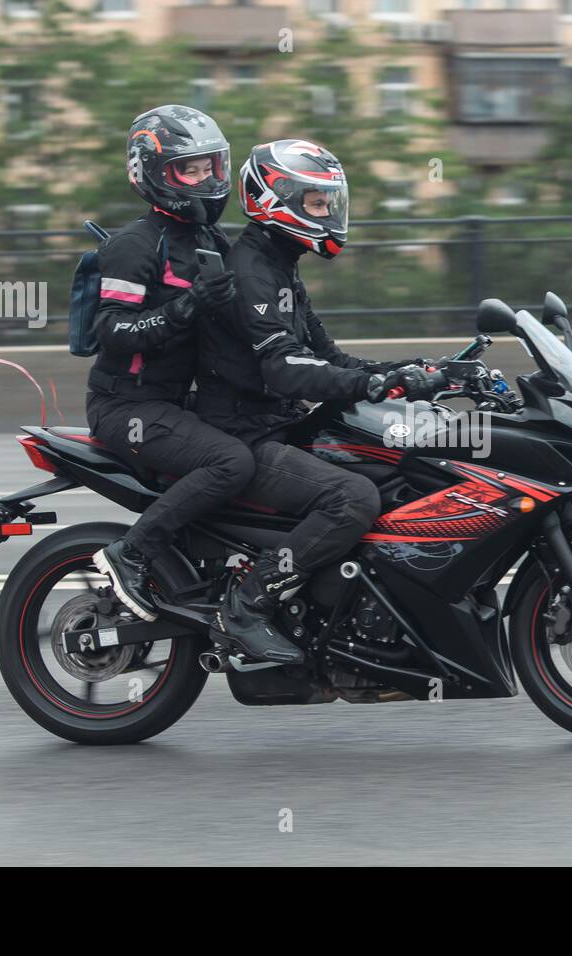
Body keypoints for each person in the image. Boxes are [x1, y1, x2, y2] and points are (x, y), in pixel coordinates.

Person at [195, 139, 444, 664]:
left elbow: (326, 356)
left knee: (398, 471)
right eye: (315, 202)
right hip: (244, 432)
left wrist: (411, 373)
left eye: (329, 202)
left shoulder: (280, 263)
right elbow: (284, 368)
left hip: (278, 425)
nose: (327, 213)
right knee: (352, 499)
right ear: (274, 197)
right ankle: (246, 606)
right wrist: (371, 386)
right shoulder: (250, 270)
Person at [87, 105, 255, 623]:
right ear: (155, 173)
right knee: (232, 463)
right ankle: (130, 553)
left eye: (211, 167)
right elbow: (110, 332)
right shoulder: (134, 246)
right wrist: (187, 306)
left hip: (177, 402)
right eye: (191, 170)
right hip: (126, 405)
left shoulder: (208, 239)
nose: (206, 180)